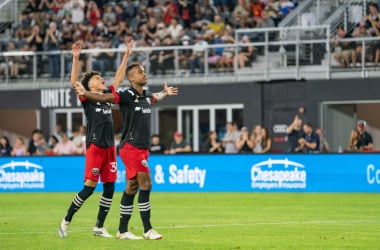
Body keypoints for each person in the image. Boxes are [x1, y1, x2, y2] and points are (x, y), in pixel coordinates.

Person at [73, 63, 178, 240]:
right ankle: (148, 229)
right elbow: (106, 98)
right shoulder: (126, 95)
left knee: (132, 187)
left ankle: (122, 230)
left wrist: (165, 93)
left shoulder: (145, 95)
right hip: (131, 147)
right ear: (131, 78)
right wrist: (86, 93)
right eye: (140, 72)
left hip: (143, 148)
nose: (144, 74)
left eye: (144, 71)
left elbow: (155, 98)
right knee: (147, 184)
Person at [58, 39, 133, 238]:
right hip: (95, 147)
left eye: (100, 78)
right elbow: (74, 83)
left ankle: (99, 226)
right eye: (97, 78)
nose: (101, 79)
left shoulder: (107, 95)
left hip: (110, 148)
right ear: (89, 84)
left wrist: (126, 54)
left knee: (110, 187)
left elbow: (118, 77)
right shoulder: (87, 97)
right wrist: (75, 58)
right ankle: (66, 220)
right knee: (89, 188)